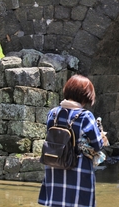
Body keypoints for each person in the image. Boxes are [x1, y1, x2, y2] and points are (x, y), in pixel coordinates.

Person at [38, 74, 104, 207]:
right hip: (78, 168)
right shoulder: (86, 116)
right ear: (85, 96)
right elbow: (98, 145)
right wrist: (102, 135)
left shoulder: (53, 113)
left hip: (54, 164)